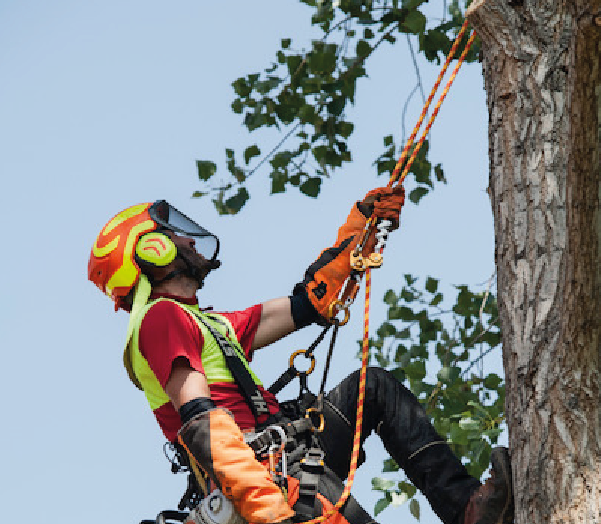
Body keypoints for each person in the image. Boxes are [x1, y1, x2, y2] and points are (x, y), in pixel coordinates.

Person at [88, 191, 514, 524]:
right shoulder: (160, 320)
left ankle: (466, 510)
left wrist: (357, 235)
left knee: (374, 387)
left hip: (290, 446)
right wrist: (265, 503)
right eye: (174, 232)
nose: (188, 239)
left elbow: (304, 305)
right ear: (153, 251)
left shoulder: (207, 323)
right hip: (269, 475)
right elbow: (200, 420)